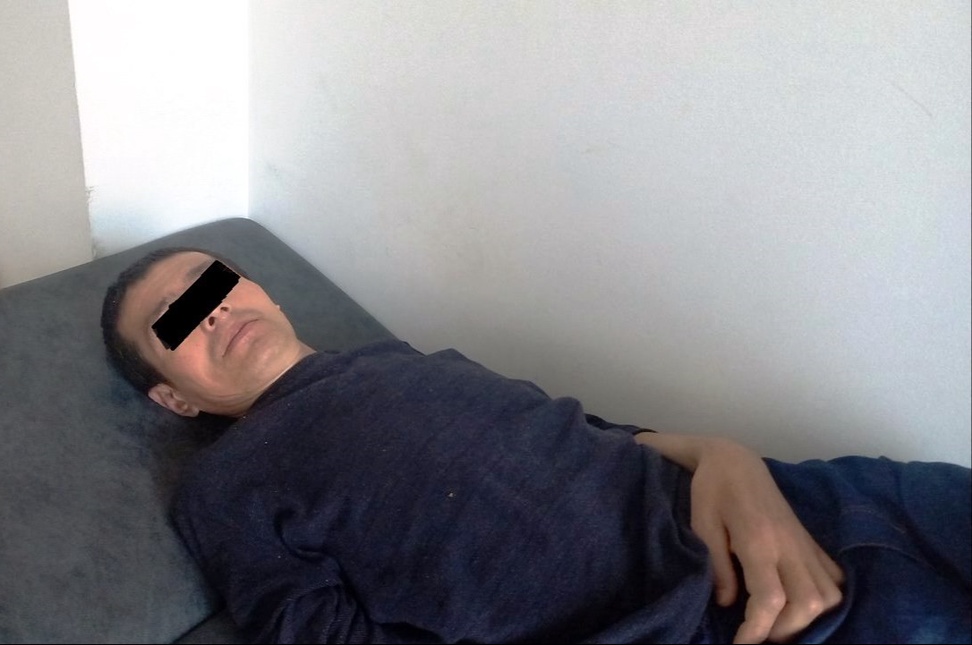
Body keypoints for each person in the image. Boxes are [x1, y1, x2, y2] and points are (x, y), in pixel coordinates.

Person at [101, 247, 971, 644]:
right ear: (174, 396)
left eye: (213, 282)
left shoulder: (400, 360)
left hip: (812, 499)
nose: (212, 311)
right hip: (706, 620)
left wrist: (723, 456)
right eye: (175, 320)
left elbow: (590, 434)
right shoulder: (226, 486)